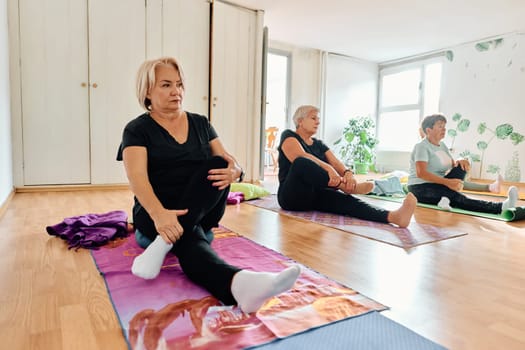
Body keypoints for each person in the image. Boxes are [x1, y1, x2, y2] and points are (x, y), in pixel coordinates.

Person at [116, 57, 300, 313]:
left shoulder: (201, 123)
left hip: (202, 209)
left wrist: (235, 171)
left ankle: (163, 244)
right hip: (156, 214)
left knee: (216, 162)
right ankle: (238, 283)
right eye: (166, 85)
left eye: (179, 84)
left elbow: (229, 161)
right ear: (147, 90)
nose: (176, 91)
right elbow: (137, 179)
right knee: (191, 241)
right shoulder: (136, 130)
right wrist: (160, 216)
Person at [277, 105, 417, 228]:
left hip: (314, 196)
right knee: (301, 162)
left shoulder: (319, 144)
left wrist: (348, 173)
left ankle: (394, 217)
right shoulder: (289, 136)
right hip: (291, 196)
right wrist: (330, 170)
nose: (318, 122)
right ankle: (346, 187)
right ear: (300, 121)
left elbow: (337, 163)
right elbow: (300, 156)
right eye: (313, 118)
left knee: (347, 202)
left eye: (318, 119)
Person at [408, 114, 518, 213]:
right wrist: (447, 182)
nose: (444, 129)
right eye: (440, 126)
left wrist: (461, 160)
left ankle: (445, 199)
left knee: (462, 166)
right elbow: (421, 173)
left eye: (444, 126)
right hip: (420, 188)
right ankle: (501, 207)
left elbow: (453, 164)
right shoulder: (421, 147)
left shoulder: (442, 145)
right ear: (428, 130)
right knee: (457, 197)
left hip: (439, 184)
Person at [417, 127, 503, 194]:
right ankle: (490, 187)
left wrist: (460, 160)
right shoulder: (421, 150)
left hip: (442, 179)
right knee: (457, 183)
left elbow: (451, 163)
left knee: (460, 170)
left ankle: (491, 187)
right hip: (431, 183)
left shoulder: (439, 147)